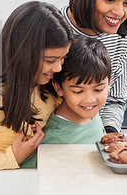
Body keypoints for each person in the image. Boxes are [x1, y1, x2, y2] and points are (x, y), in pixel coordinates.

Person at [0, 1, 73, 171]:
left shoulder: (47, 88)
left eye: (63, 58)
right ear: (24, 54)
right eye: (50, 60)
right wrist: (11, 158)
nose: (58, 68)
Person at [62, 0, 127, 134]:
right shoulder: (53, 28)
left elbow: (115, 101)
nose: (119, 12)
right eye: (109, 0)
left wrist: (109, 138)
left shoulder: (123, 38)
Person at [20, 35, 112, 168]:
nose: (90, 100)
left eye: (98, 89)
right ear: (59, 88)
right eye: (78, 91)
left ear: (109, 83)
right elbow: (25, 173)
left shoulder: (90, 112)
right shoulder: (55, 137)